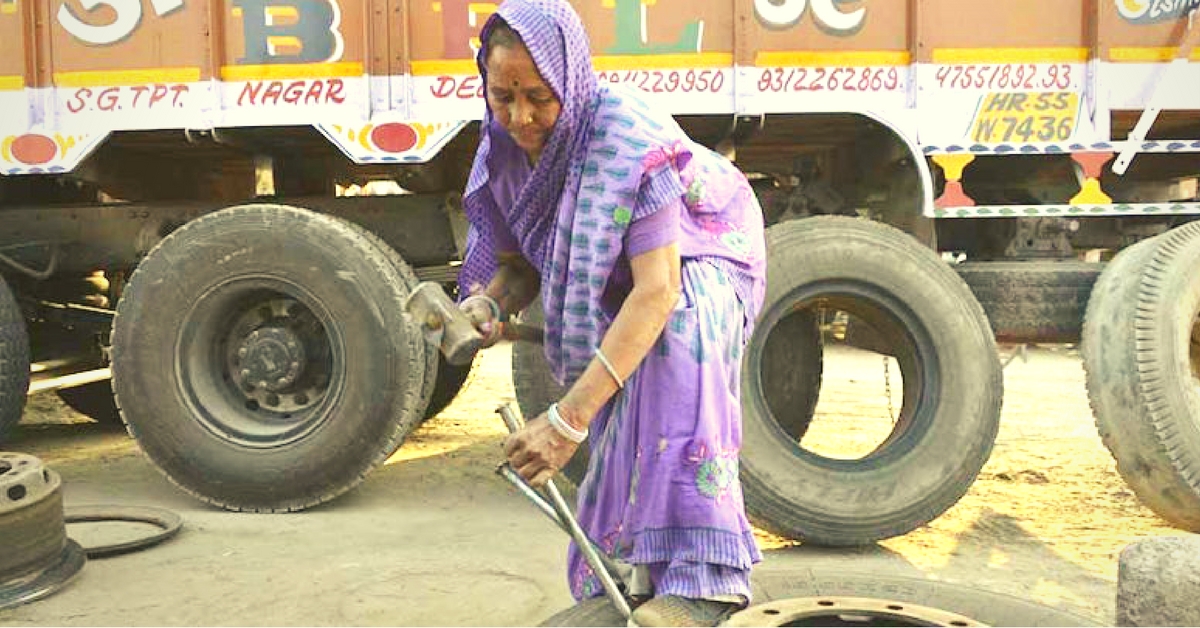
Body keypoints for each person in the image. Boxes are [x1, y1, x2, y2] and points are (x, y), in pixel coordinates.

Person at [455, 0, 767, 624]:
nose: (521, 117)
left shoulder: (628, 138)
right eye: (503, 96)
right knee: (623, 414)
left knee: (675, 345)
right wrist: (488, 303)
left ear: (570, 79)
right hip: (632, 276)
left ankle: (709, 580)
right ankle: (642, 571)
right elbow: (521, 265)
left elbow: (657, 290)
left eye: (539, 97)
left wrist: (566, 422)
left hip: (706, 249)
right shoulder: (504, 150)